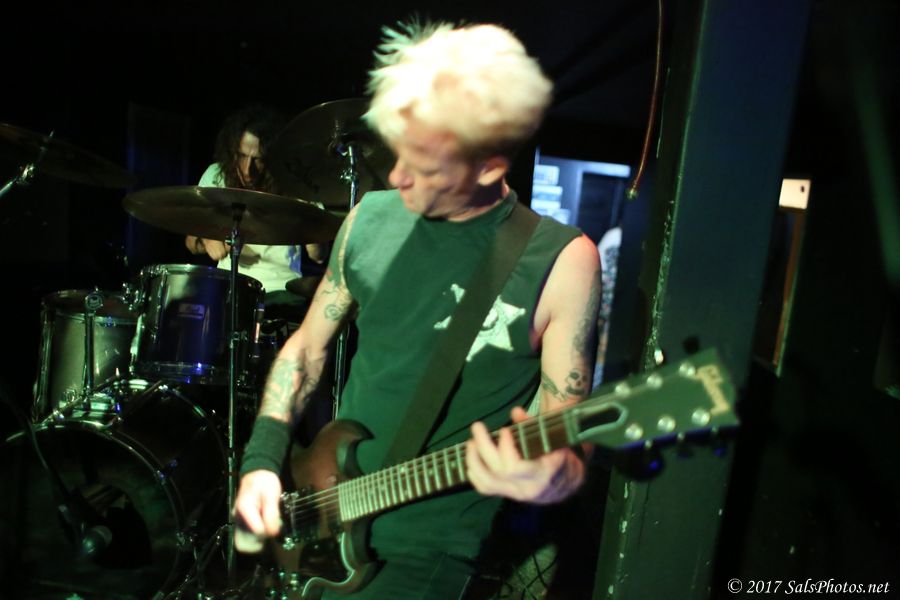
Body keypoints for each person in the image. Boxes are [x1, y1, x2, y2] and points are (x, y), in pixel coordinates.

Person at [234, 22, 601, 598]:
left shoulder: (562, 260)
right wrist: (262, 460)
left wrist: (555, 477)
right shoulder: (368, 220)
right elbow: (305, 351)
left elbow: (566, 429)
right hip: (323, 508)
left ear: (490, 166)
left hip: (434, 553)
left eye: (423, 165)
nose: (396, 176)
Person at [185, 105, 327, 321]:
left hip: (282, 289)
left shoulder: (295, 183)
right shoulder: (216, 175)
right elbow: (190, 243)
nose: (247, 168)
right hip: (230, 286)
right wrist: (206, 238)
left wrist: (311, 230)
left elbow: (319, 256)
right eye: (241, 156)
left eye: (258, 159)